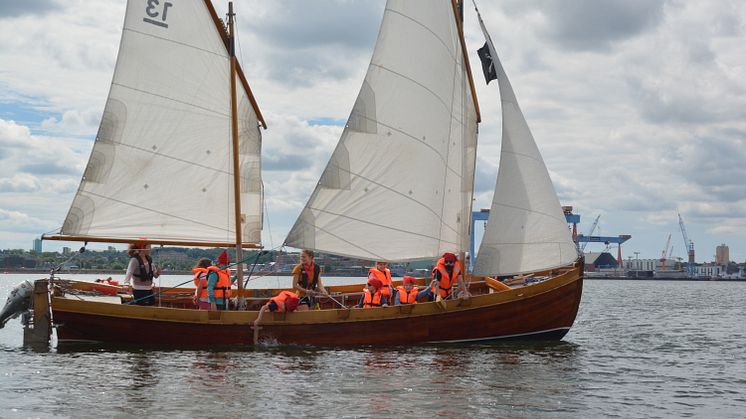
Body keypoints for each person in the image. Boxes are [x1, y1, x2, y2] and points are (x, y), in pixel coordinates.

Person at [123, 241, 161, 306]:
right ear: (142, 248)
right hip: (139, 290)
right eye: (149, 247)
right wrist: (126, 284)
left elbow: (155, 275)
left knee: (151, 304)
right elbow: (129, 272)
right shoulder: (134, 260)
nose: (150, 249)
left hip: (149, 290)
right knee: (142, 307)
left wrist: (158, 272)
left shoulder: (149, 259)